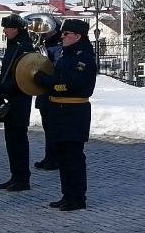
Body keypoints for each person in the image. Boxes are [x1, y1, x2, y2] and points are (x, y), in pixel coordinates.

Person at [33, 18, 97, 211]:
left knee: (73, 156)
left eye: (66, 34)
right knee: (62, 155)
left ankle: (77, 198)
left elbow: (68, 84)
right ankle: (67, 194)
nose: (63, 36)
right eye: (63, 33)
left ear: (78, 36)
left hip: (74, 112)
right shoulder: (66, 54)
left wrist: (43, 80)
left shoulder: (83, 57)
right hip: (60, 111)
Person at [0, 14, 36, 192]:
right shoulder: (15, 46)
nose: (4, 31)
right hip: (11, 99)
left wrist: (3, 88)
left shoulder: (24, 47)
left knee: (18, 140)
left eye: (7, 28)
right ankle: (16, 175)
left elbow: (24, 79)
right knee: (11, 140)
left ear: (15, 29)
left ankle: (22, 178)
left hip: (19, 100)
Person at [34, 29, 64, 171]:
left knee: (53, 127)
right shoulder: (45, 44)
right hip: (44, 93)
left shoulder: (58, 46)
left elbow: (54, 67)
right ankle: (49, 157)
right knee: (47, 127)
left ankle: (55, 158)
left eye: (47, 30)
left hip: (52, 92)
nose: (44, 32)